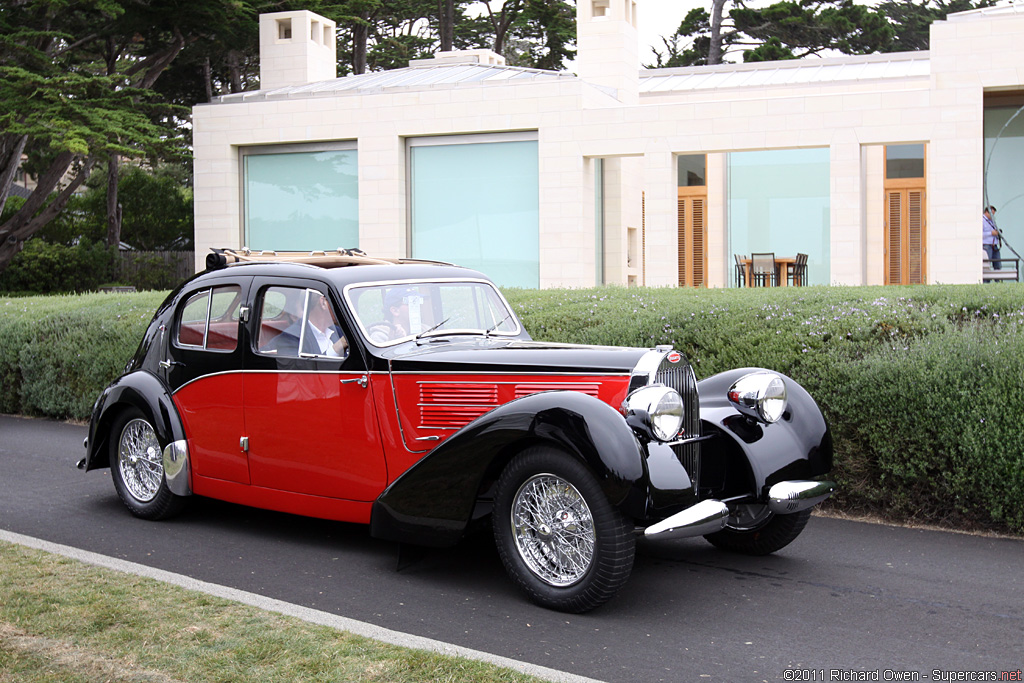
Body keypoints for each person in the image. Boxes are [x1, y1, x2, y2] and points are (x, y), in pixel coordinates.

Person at [269, 291, 348, 358]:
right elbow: (301, 372)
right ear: (323, 303)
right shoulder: (291, 337)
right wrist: (337, 348)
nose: (342, 307)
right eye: (337, 302)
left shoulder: (338, 331)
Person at [983, 205, 1001, 270]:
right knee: (986, 265)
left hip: (994, 245)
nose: (992, 216)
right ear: (987, 212)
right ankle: (986, 280)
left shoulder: (992, 221)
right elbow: (979, 234)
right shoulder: (982, 221)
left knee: (998, 264)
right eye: (991, 214)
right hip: (986, 245)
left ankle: (998, 279)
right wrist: (991, 233)